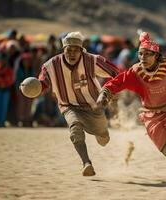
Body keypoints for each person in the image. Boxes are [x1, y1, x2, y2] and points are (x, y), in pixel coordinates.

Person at [97, 32, 166, 181]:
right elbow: (117, 82)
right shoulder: (135, 72)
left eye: (148, 54)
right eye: (141, 54)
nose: (143, 57)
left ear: (157, 56)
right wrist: (104, 94)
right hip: (151, 115)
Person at [22, 32, 119, 176]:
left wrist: (111, 92)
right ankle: (86, 163)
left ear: (81, 50)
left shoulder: (92, 61)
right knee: (75, 129)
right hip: (68, 105)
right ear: (63, 50)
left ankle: (101, 134)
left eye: (75, 50)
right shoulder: (50, 66)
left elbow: (116, 73)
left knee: (103, 137)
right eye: (69, 50)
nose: (72, 53)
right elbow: (43, 83)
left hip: (94, 105)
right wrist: (33, 88)